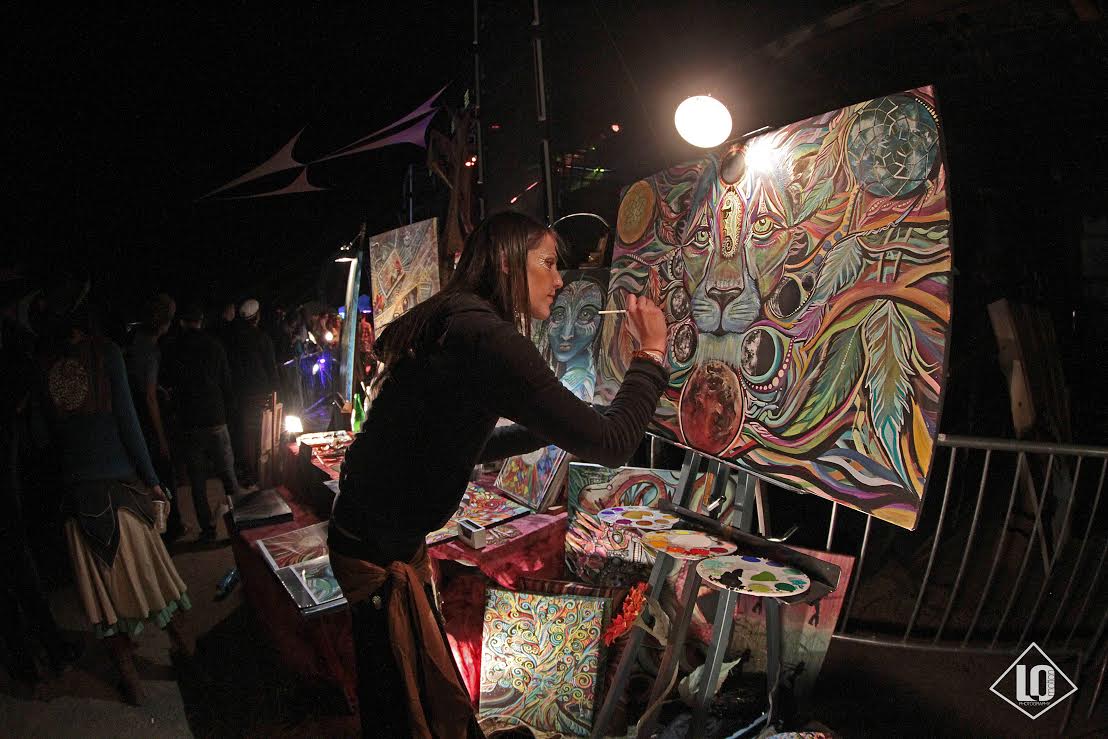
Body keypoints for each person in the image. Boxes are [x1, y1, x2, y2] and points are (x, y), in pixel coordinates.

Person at [328, 212, 669, 738]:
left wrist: (551, 427)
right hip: (376, 549)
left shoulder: (458, 318)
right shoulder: (487, 336)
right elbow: (613, 443)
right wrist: (651, 353)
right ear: (509, 263)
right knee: (398, 705)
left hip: (368, 532)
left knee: (404, 692)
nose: (560, 280)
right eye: (548, 263)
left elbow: (452, 440)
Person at [34, 288, 192, 706]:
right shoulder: (105, 353)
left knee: (104, 601)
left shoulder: (44, 365)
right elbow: (129, 424)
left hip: (77, 503)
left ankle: (131, 683)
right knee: (158, 583)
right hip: (120, 494)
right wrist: (153, 480)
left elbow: (43, 438)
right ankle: (190, 656)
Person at [0, 273, 82, 693]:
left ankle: (26, 661)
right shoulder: (14, 344)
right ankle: (47, 652)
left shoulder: (15, 341)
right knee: (18, 562)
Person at [161, 300, 243, 543]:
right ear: (201, 321)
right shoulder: (214, 345)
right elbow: (226, 382)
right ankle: (240, 526)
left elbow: (169, 383)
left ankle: (208, 530)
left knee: (197, 482)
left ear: (182, 322)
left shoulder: (174, 349)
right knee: (228, 475)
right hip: (215, 417)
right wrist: (229, 413)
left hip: (189, 421)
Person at [125, 293, 184, 542]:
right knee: (163, 473)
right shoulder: (151, 351)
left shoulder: (135, 341)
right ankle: (170, 527)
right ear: (164, 323)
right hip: (148, 420)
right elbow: (149, 397)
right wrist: (161, 438)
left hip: (134, 412)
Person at [227, 297, 278, 485]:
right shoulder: (262, 338)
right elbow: (271, 367)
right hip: (261, 392)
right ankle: (262, 471)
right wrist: (276, 390)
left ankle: (249, 471)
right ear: (257, 317)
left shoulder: (235, 340)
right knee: (263, 431)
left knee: (247, 433)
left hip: (243, 394)